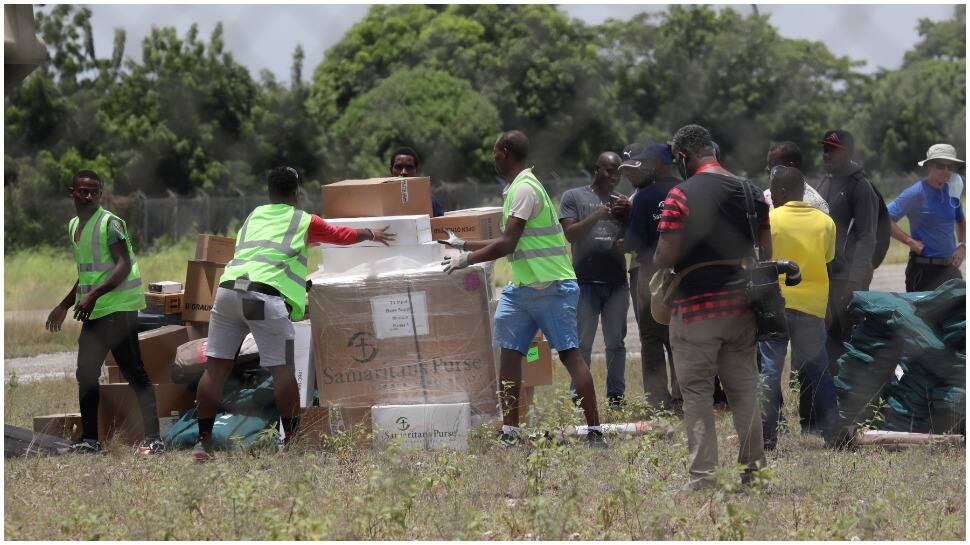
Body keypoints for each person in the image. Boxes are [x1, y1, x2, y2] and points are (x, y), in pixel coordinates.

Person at [191, 166, 395, 461]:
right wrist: (371, 233)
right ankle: (293, 442)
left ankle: (203, 441)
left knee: (215, 370)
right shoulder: (302, 219)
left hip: (227, 293)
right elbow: (340, 235)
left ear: (269, 192)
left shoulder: (253, 217)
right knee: (283, 372)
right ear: (297, 193)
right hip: (263, 297)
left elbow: (271, 248)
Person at [440, 130, 606, 447]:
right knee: (510, 356)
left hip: (553, 286)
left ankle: (595, 432)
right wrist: (463, 243)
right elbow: (511, 241)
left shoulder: (525, 189)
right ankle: (511, 432)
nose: (492, 158)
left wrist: (466, 259)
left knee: (570, 355)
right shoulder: (516, 189)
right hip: (523, 289)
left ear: (505, 152)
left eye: (494, 152)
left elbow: (508, 242)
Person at [653, 124, 768, 489]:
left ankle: (703, 476)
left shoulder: (680, 195)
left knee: (698, 393)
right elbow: (768, 253)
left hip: (695, 311)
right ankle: (754, 472)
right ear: (712, 150)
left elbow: (665, 255)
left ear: (684, 157)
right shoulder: (750, 192)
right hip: (741, 308)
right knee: (745, 392)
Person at [45, 170, 161, 454]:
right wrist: (64, 305)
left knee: (134, 372)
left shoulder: (110, 223)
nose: (88, 196)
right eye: (82, 191)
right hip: (94, 311)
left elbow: (122, 264)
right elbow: (87, 275)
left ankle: (155, 439)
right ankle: (90, 441)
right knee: (85, 373)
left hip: (118, 309)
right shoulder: (74, 225)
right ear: (71, 192)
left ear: (100, 194)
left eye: (94, 192)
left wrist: (94, 295)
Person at [759, 166, 840, 451]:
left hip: (775, 304)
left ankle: (767, 438)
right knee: (818, 369)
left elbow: (762, 258)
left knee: (769, 369)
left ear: (780, 191)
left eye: (772, 190)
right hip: (812, 305)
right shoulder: (825, 222)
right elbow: (826, 260)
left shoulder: (770, 218)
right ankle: (833, 434)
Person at [558, 151, 630, 407]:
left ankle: (616, 397)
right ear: (596, 169)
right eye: (609, 170)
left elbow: (631, 238)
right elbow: (570, 234)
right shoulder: (574, 197)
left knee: (616, 343)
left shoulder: (623, 202)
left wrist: (628, 213)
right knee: (582, 343)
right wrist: (597, 215)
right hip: (585, 281)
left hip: (616, 282)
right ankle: (580, 397)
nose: (613, 176)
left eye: (618, 171)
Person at [620, 144, 682, 411]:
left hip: (649, 274)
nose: (642, 168)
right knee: (679, 336)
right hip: (682, 272)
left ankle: (657, 401)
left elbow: (634, 241)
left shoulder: (644, 196)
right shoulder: (686, 189)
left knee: (652, 337)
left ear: (657, 164)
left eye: (646, 164)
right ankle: (684, 395)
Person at [814, 129, 881, 373]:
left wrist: (855, 280)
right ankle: (833, 398)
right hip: (825, 275)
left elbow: (867, 237)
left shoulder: (860, 186)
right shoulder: (826, 181)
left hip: (847, 278)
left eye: (833, 149)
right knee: (828, 340)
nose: (827, 154)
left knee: (853, 340)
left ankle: (860, 401)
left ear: (849, 152)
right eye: (824, 149)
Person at [888, 143, 966, 292]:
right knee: (924, 316)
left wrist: (962, 245)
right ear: (929, 165)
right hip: (924, 271)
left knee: (958, 313)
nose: (946, 170)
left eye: (950, 167)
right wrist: (910, 241)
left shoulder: (952, 192)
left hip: (950, 270)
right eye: (940, 165)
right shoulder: (915, 193)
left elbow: (961, 221)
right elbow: (884, 219)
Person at [762, 141, 829, 213]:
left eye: (772, 165)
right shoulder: (765, 198)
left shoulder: (816, 204)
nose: (767, 169)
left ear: (791, 166)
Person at [390, 146, 445, 217]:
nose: (403, 172)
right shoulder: (380, 201)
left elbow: (440, 226)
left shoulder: (430, 202)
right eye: (399, 167)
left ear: (417, 171)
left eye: (409, 167)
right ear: (391, 170)